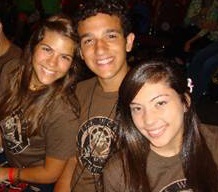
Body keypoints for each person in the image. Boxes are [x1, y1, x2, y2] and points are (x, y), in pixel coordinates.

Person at [103, 59, 218, 192]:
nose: (148, 120)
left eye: (160, 103)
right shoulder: (119, 174)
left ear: (185, 102)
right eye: (137, 108)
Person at [54, 0, 135, 191]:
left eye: (111, 36)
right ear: (81, 52)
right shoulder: (79, 91)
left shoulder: (149, 98)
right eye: (89, 40)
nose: (100, 49)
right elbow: (74, 158)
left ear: (128, 42)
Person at [0, 14, 79, 191]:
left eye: (64, 57)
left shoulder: (64, 113)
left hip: (35, 179)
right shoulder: (10, 70)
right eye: (47, 49)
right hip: (7, 158)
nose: (52, 63)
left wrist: (7, 174)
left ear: (71, 65)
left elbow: (50, 173)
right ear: (33, 46)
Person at [188, 0, 218, 101]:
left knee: (209, 63)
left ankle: (197, 95)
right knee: (198, 57)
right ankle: (189, 88)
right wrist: (212, 26)